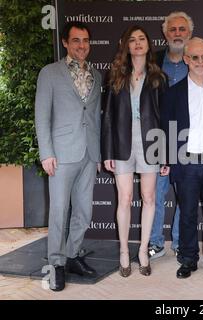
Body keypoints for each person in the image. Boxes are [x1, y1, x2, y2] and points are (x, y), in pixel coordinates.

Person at [35, 21, 102, 291]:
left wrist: (97, 155)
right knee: (60, 212)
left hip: (89, 153)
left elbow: (93, 116)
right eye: (76, 40)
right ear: (65, 42)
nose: (81, 46)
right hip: (61, 154)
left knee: (84, 212)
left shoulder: (96, 75)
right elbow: (42, 116)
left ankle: (72, 256)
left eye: (85, 40)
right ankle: (56, 264)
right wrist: (46, 153)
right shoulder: (50, 73)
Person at [149, 11, 203, 260]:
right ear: (165, 33)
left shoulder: (201, 60)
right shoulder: (153, 60)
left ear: (190, 33)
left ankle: (179, 242)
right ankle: (155, 242)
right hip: (157, 136)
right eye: (173, 29)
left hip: (188, 140)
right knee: (156, 193)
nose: (178, 33)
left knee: (185, 196)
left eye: (182, 29)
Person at [101, 25, 166, 277]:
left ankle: (143, 251)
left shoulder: (158, 76)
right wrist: (107, 152)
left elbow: (164, 118)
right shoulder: (116, 75)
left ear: (148, 45)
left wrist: (164, 154)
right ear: (125, 45)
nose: (137, 43)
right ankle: (124, 252)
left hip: (149, 144)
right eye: (132, 40)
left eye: (142, 39)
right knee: (125, 199)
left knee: (149, 198)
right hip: (121, 143)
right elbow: (107, 117)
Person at [161, 37, 203, 280]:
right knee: (187, 214)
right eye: (195, 57)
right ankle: (188, 259)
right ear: (186, 59)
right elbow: (167, 128)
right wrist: (167, 159)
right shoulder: (173, 93)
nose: (200, 61)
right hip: (185, 162)